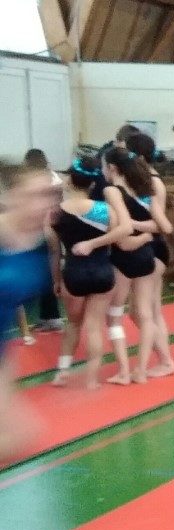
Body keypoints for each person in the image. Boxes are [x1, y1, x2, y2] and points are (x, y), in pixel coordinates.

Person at [46, 156, 138, 389]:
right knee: (94, 327)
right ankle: (91, 379)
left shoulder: (54, 213)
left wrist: (56, 280)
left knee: (73, 324)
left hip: (73, 272)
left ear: (69, 181)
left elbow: (54, 252)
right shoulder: (104, 210)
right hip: (102, 271)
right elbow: (123, 232)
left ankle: (62, 372)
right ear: (93, 184)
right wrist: (95, 243)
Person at [0, 161, 59, 460]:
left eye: (48, 194)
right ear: (11, 198)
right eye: (33, 195)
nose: (43, 204)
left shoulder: (41, 244)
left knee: (21, 436)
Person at [101, 147, 166, 383]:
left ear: (112, 168)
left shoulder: (112, 190)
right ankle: (140, 370)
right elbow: (162, 226)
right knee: (145, 315)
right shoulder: (143, 189)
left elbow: (124, 226)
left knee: (114, 316)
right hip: (146, 255)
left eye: (103, 167)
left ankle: (124, 371)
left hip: (124, 256)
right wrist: (146, 235)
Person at [124, 132, 174, 378]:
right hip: (151, 246)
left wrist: (130, 224)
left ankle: (165, 360)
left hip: (153, 247)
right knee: (149, 310)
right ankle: (164, 359)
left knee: (144, 311)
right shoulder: (142, 179)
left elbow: (160, 223)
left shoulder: (151, 181)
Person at [20, 149, 64, 333]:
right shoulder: (54, 178)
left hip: (43, 228)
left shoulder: (41, 180)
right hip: (52, 227)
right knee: (47, 270)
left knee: (45, 271)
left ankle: (51, 317)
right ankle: (49, 316)